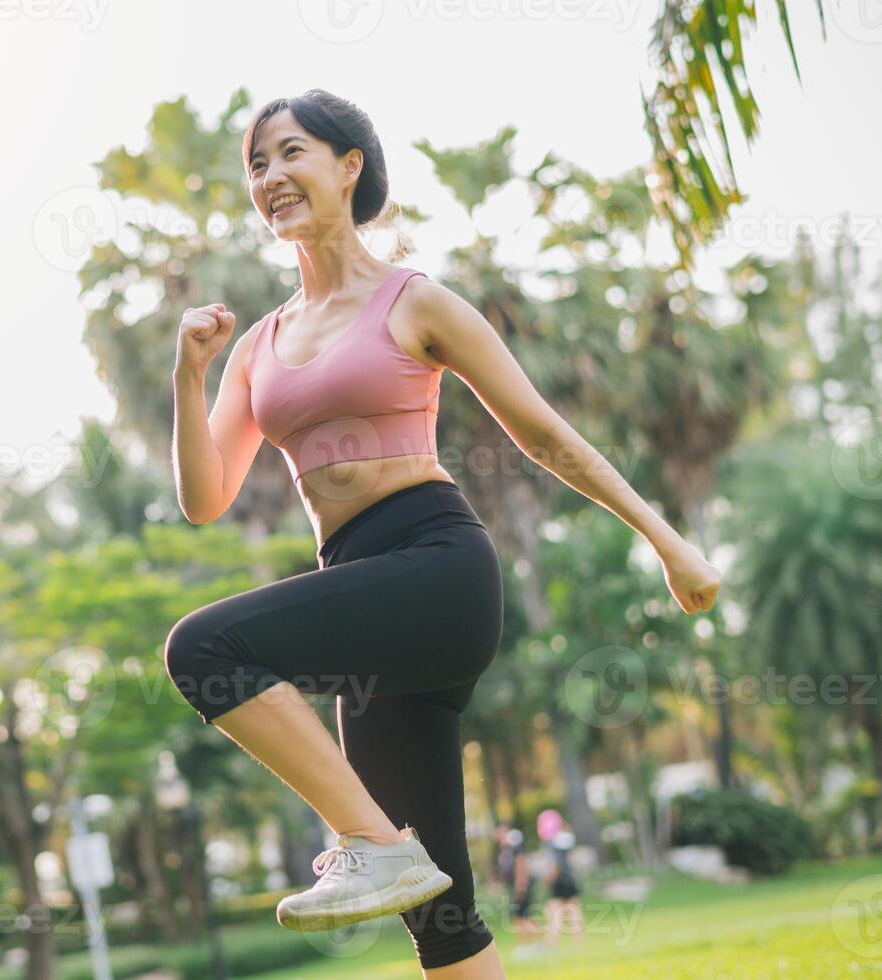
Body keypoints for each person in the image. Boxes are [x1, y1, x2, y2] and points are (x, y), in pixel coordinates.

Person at [164, 88, 721, 977]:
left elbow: (541, 434)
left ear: (349, 167)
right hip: (362, 598)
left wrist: (666, 540)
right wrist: (190, 377)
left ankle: (366, 840)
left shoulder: (413, 301)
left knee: (203, 648)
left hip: (433, 569)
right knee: (441, 917)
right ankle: (384, 849)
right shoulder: (257, 344)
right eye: (255, 164)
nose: (269, 176)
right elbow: (204, 497)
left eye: (289, 153)